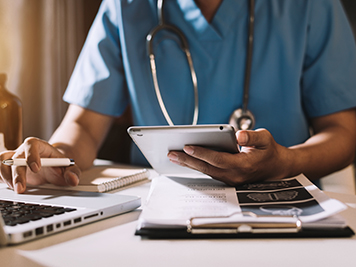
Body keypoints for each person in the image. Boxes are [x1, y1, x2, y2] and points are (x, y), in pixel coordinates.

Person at [1, 0, 356, 193]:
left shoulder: (311, 6)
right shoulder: (124, 7)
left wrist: (286, 163)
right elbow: (83, 126)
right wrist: (54, 160)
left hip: (280, 201)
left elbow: (344, 132)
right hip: (158, 204)